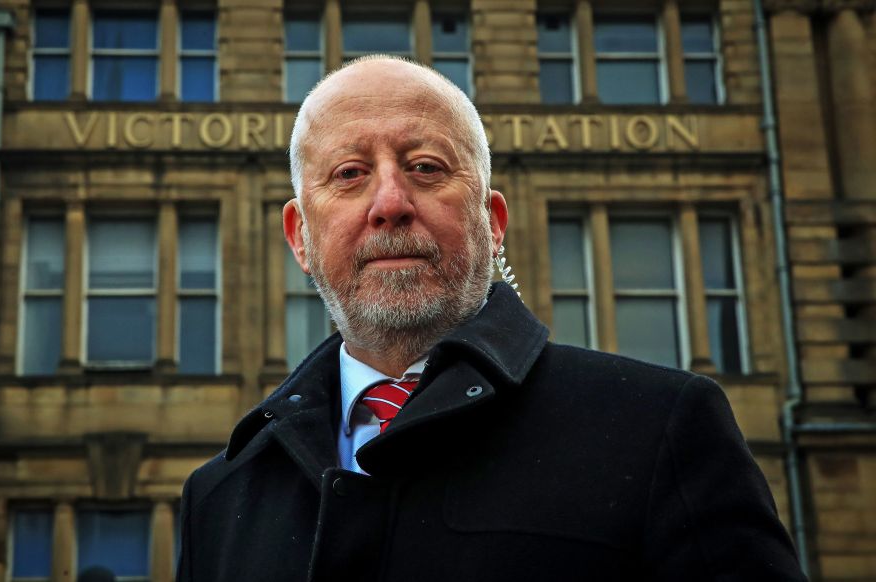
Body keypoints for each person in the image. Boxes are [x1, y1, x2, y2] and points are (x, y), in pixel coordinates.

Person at [177, 55, 805, 581]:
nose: (390, 203)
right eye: (349, 174)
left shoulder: (663, 428)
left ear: (493, 221)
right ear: (301, 237)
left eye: (426, 168)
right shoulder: (220, 493)